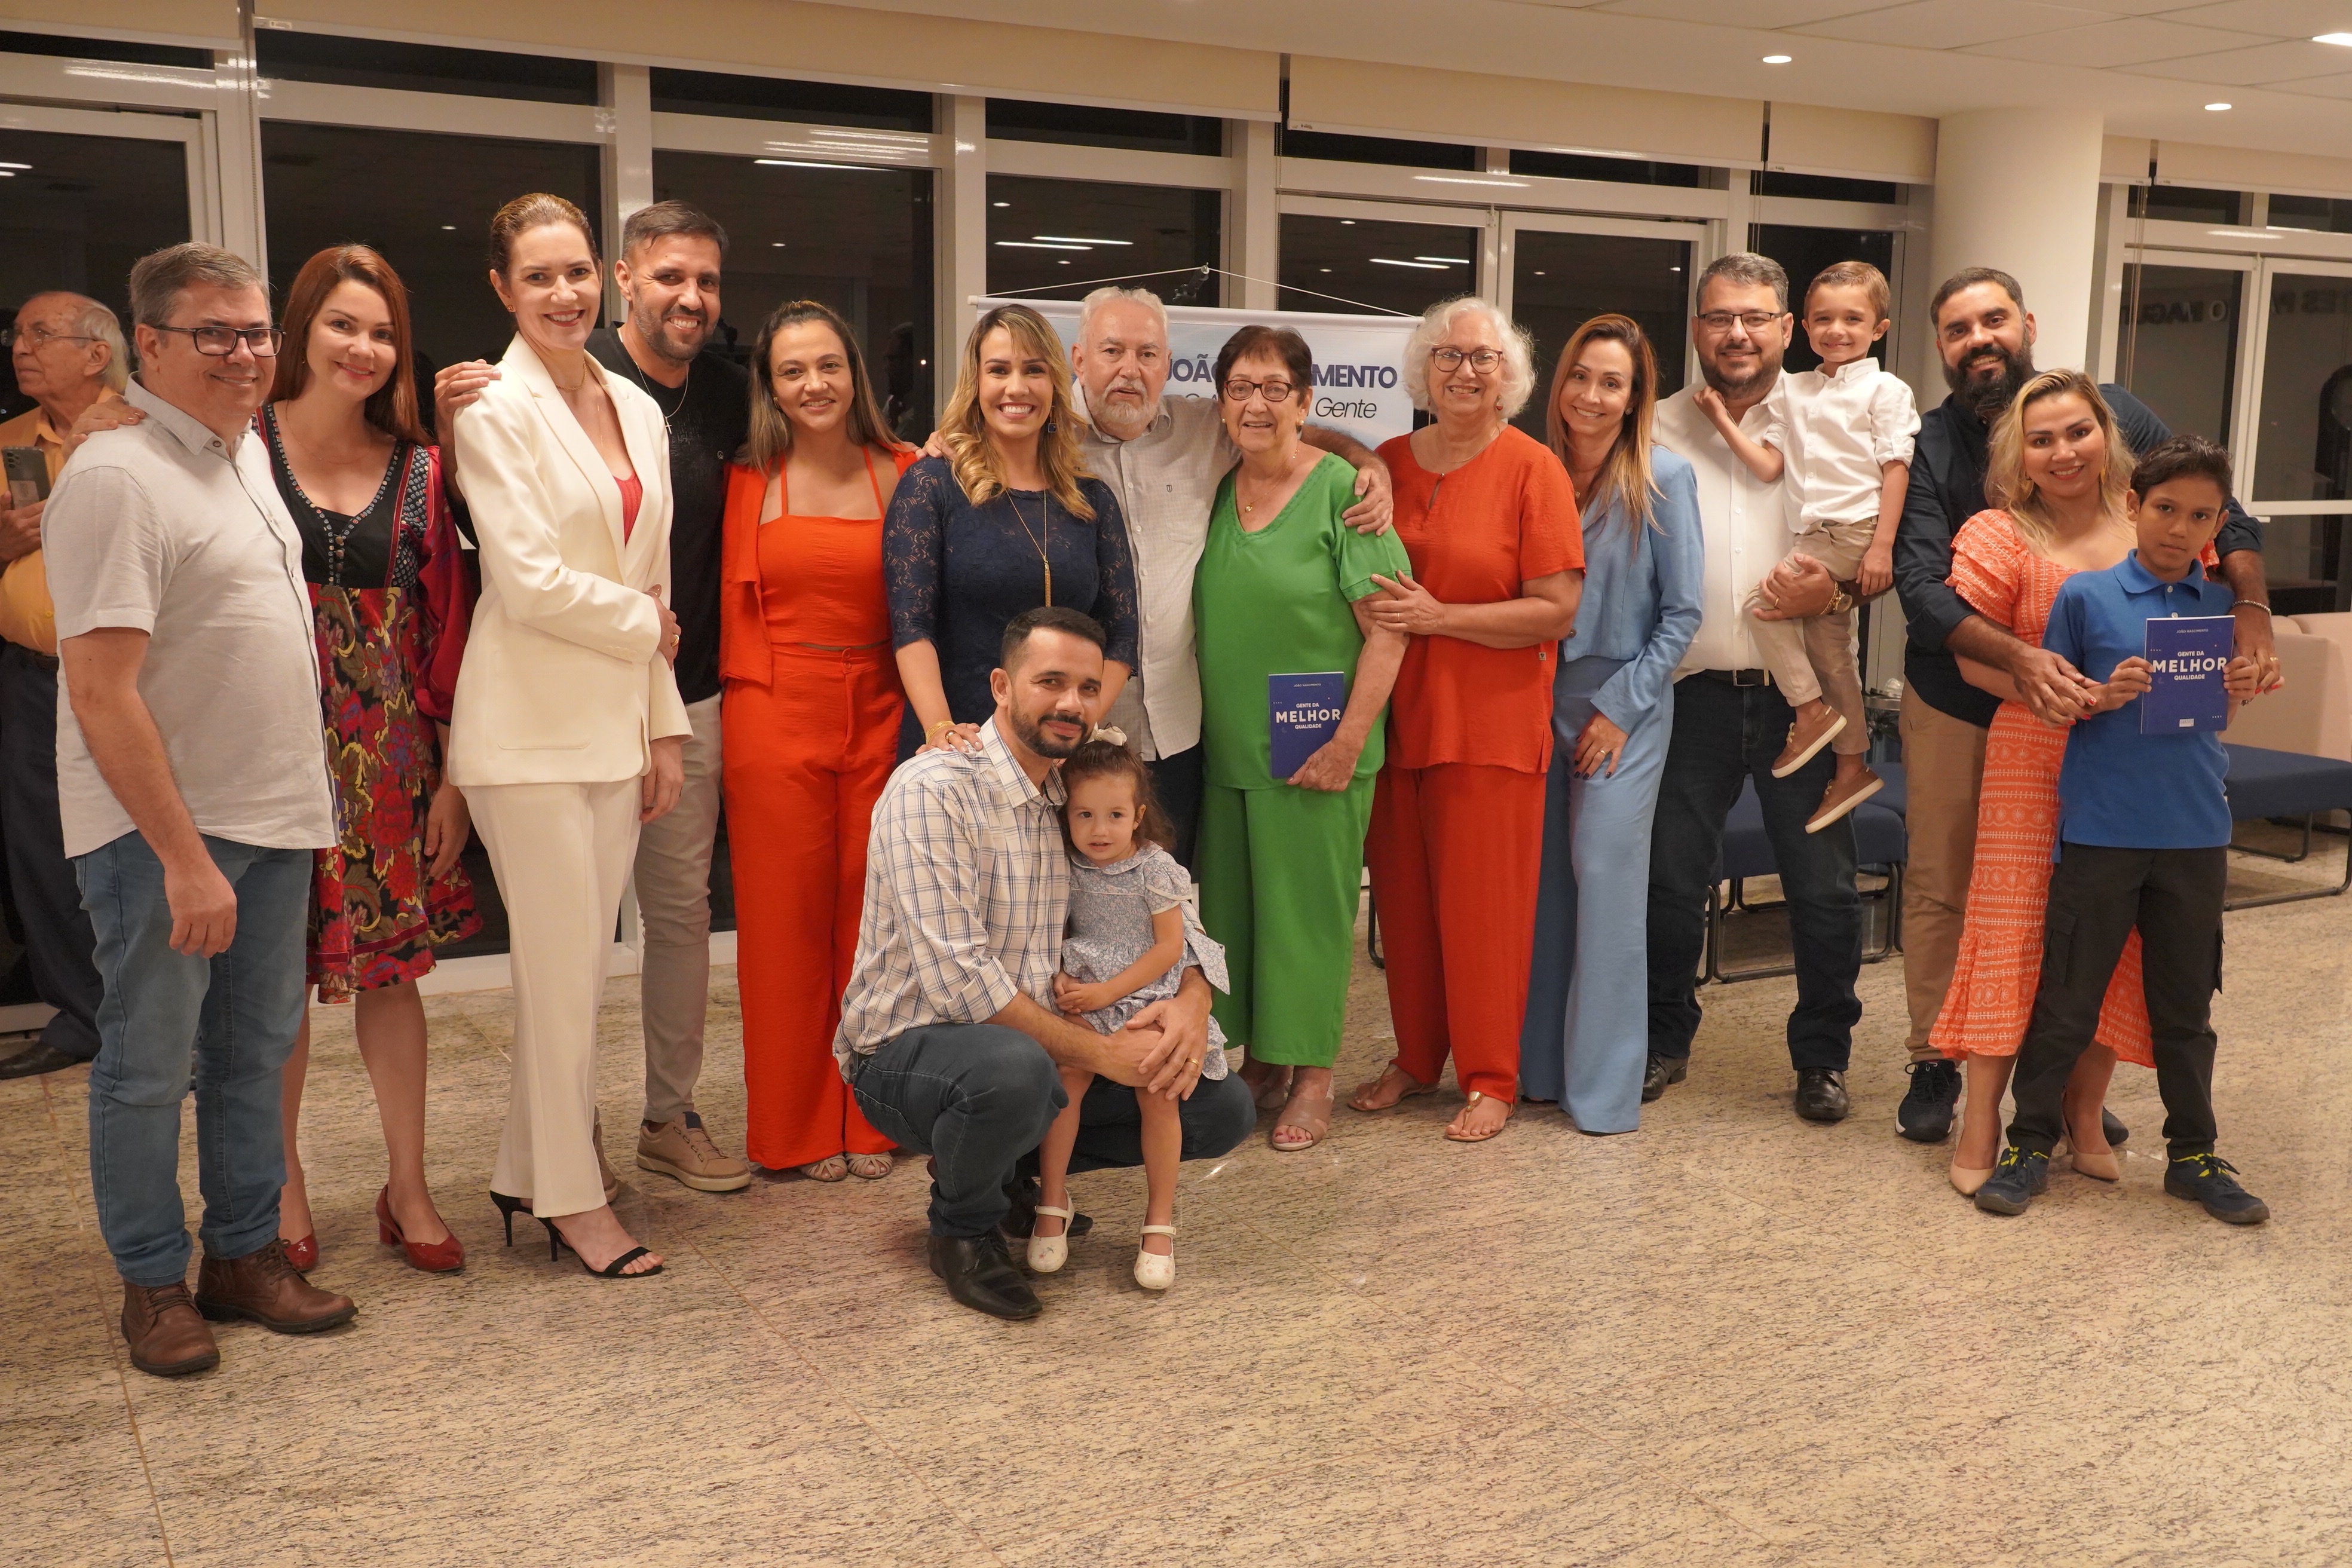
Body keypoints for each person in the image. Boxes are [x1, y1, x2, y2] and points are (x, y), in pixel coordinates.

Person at [48, 243, 351, 1376]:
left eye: (256, 331)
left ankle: (243, 1256)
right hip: (164, 835)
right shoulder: (115, 477)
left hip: (272, 816)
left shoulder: (245, 451)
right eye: (213, 334)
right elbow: (100, 689)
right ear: (150, 346)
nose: (244, 353)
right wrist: (181, 857)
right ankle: (152, 1283)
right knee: (147, 1063)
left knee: (253, 1052)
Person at [1885, 265, 2272, 1146]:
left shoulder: (2130, 460)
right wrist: (2030, 669)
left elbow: (2219, 521)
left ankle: (2066, 1089)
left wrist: (2247, 625)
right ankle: (1940, 1064)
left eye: (1993, 319)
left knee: (2099, 920)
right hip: (1971, 702)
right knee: (1964, 894)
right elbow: (1925, 590)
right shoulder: (1935, 446)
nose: (1979, 340)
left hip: (2117, 747)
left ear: (2026, 324)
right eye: (1957, 328)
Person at [439, 200, 752, 1197]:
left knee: (575, 975)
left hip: (619, 727)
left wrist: (662, 724)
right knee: (561, 974)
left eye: (573, 271)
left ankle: (528, 1175)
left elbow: (650, 572)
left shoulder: (634, 407)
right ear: (503, 289)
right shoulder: (492, 408)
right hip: (527, 729)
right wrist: (646, 629)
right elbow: (527, 583)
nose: (562, 293)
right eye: (538, 277)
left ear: (599, 275)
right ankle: (574, 1200)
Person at [835, 607, 1244, 1320]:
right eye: (1050, 681)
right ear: (1001, 686)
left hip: (1043, 1048)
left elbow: (1169, 902)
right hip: (910, 1052)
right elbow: (961, 983)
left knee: (1217, 1105)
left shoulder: (1076, 799)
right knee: (1014, 1070)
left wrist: (1192, 997)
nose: (1071, 703)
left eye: (1088, 687)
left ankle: (1007, 1165)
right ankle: (962, 1229)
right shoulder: (934, 790)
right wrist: (1105, 1054)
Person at [1973, 435, 2269, 1225]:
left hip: (2195, 833)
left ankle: (2194, 1155)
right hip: (2102, 832)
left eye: (2200, 516)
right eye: (2166, 508)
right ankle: (2029, 1145)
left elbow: (2219, 715)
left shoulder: (2221, 607)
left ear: (2218, 526)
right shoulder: (2085, 597)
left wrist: (2240, 684)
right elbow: (2053, 704)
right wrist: (2103, 695)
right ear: (2134, 504)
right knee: (2068, 1002)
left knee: (2186, 1011)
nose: (2180, 528)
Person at [260, 246, 477, 1274]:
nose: (363, 348)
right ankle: (283, 1184)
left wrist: (453, 781)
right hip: (264, 753)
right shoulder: (239, 449)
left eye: (383, 332)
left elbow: (450, 631)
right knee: (273, 984)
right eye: (343, 324)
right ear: (302, 328)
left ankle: (409, 1186)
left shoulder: (423, 467)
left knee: (394, 981)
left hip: (389, 760)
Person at [1345, 298, 1582, 1144]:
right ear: (1424, 368)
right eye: (1448, 355)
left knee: (1484, 917)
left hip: (1489, 729)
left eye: (1484, 357)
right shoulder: (1387, 462)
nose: (1465, 370)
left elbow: (1556, 609)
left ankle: (1490, 1076)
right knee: (1403, 911)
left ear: (1509, 375)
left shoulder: (1534, 470)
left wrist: (1440, 617)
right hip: (1393, 722)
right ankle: (1417, 1058)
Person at [1931, 372, 2169, 1193]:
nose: (2063, 451)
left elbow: (2189, 628)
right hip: (2032, 756)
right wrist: (2044, 691)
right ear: (2019, 455)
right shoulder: (1999, 533)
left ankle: (2081, 1111)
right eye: (2042, 439)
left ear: (2106, 435)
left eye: (2077, 432)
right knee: (2012, 933)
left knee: (2113, 939)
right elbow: (1970, 658)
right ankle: (1981, 1118)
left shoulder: (2151, 526)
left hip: (2135, 761)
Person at [1065, 286, 1395, 862]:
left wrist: (1369, 462)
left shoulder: (1202, 427)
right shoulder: (1042, 439)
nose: (1130, 369)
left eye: (1147, 354)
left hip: (1179, 735)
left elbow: (1286, 432)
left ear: (1168, 363)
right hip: (1077, 726)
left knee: (1171, 892)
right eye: (1112, 351)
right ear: (1078, 358)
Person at [1647, 252, 1864, 1123]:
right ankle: (1662, 1039)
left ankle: (1823, 1057)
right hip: (1687, 693)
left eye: (1755, 317)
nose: (1736, 333)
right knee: (1669, 880)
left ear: (1786, 328)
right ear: (1697, 327)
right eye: (1718, 317)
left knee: (1824, 887)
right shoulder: (1657, 425)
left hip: (1802, 702)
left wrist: (1838, 594)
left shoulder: (1827, 414)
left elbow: (1869, 545)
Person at [1194, 326, 1411, 1152]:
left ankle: (1313, 1074)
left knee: (1309, 919)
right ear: (1221, 402)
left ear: (1305, 401)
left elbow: (1390, 628)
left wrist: (1350, 742)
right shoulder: (1220, 489)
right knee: (1243, 919)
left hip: (1320, 752)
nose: (1256, 404)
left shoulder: (1344, 494)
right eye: (1241, 388)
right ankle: (1263, 1061)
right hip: (1233, 753)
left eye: (1274, 388)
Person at [720, 299, 915, 1181]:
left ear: (854, 373)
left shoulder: (908, 471)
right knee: (783, 926)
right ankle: (794, 1129)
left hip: (883, 703)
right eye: (792, 371)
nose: (813, 385)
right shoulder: (747, 479)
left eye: (828, 365)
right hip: (775, 706)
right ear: (770, 386)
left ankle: (873, 1115)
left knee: (876, 919)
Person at [1517, 315, 1704, 1133]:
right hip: (1532, 699)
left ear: (1634, 399)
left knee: (1603, 876)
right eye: (1581, 376)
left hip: (1623, 707)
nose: (1592, 395)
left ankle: (1602, 1092)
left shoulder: (1665, 477)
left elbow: (1683, 612)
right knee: (1546, 889)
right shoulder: (1534, 471)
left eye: (1612, 383)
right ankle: (1540, 1071)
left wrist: (1620, 711)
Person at [1694, 260, 1915, 832]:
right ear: (1804, 327)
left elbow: (1896, 468)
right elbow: (1769, 466)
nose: (1836, 330)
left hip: (1856, 529)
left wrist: (1882, 547)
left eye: (1853, 319)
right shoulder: (1793, 391)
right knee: (1830, 649)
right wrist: (1720, 419)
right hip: (1816, 532)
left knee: (1762, 605)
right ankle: (1853, 765)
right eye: (1824, 319)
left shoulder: (1886, 390)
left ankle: (1809, 710)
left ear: (1879, 328)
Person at [886, 304, 1138, 758]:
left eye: (1034, 370)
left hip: (1061, 755)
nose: (1016, 387)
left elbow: (1122, 636)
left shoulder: (1092, 500)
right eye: (999, 370)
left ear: (1055, 385)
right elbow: (911, 625)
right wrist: (941, 728)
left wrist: (1075, 725)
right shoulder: (931, 486)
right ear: (976, 384)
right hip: (959, 744)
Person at [1030, 739, 1229, 1291]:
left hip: (1145, 993)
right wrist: (1064, 977)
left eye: (1115, 816)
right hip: (1087, 991)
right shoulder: (1065, 863)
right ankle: (1052, 1200)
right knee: (1068, 1074)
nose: (1100, 830)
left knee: (1157, 1090)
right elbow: (1051, 929)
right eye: (1084, 815)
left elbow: (1169, 949)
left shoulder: (1155, 869)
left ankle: (1159, 1221)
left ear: (1138, 816)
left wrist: (1107, 993)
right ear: (1066, 815)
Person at [0, 292, 124, 1080]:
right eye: (17, 334)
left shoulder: (145, 427)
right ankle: (82, 1018)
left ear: (96, 353)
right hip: (33, 679)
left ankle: (165, 1024)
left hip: (132, 677)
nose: (20, 347)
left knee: (141, 851)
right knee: (44, 854)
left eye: (40, 334)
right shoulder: (9, 441)